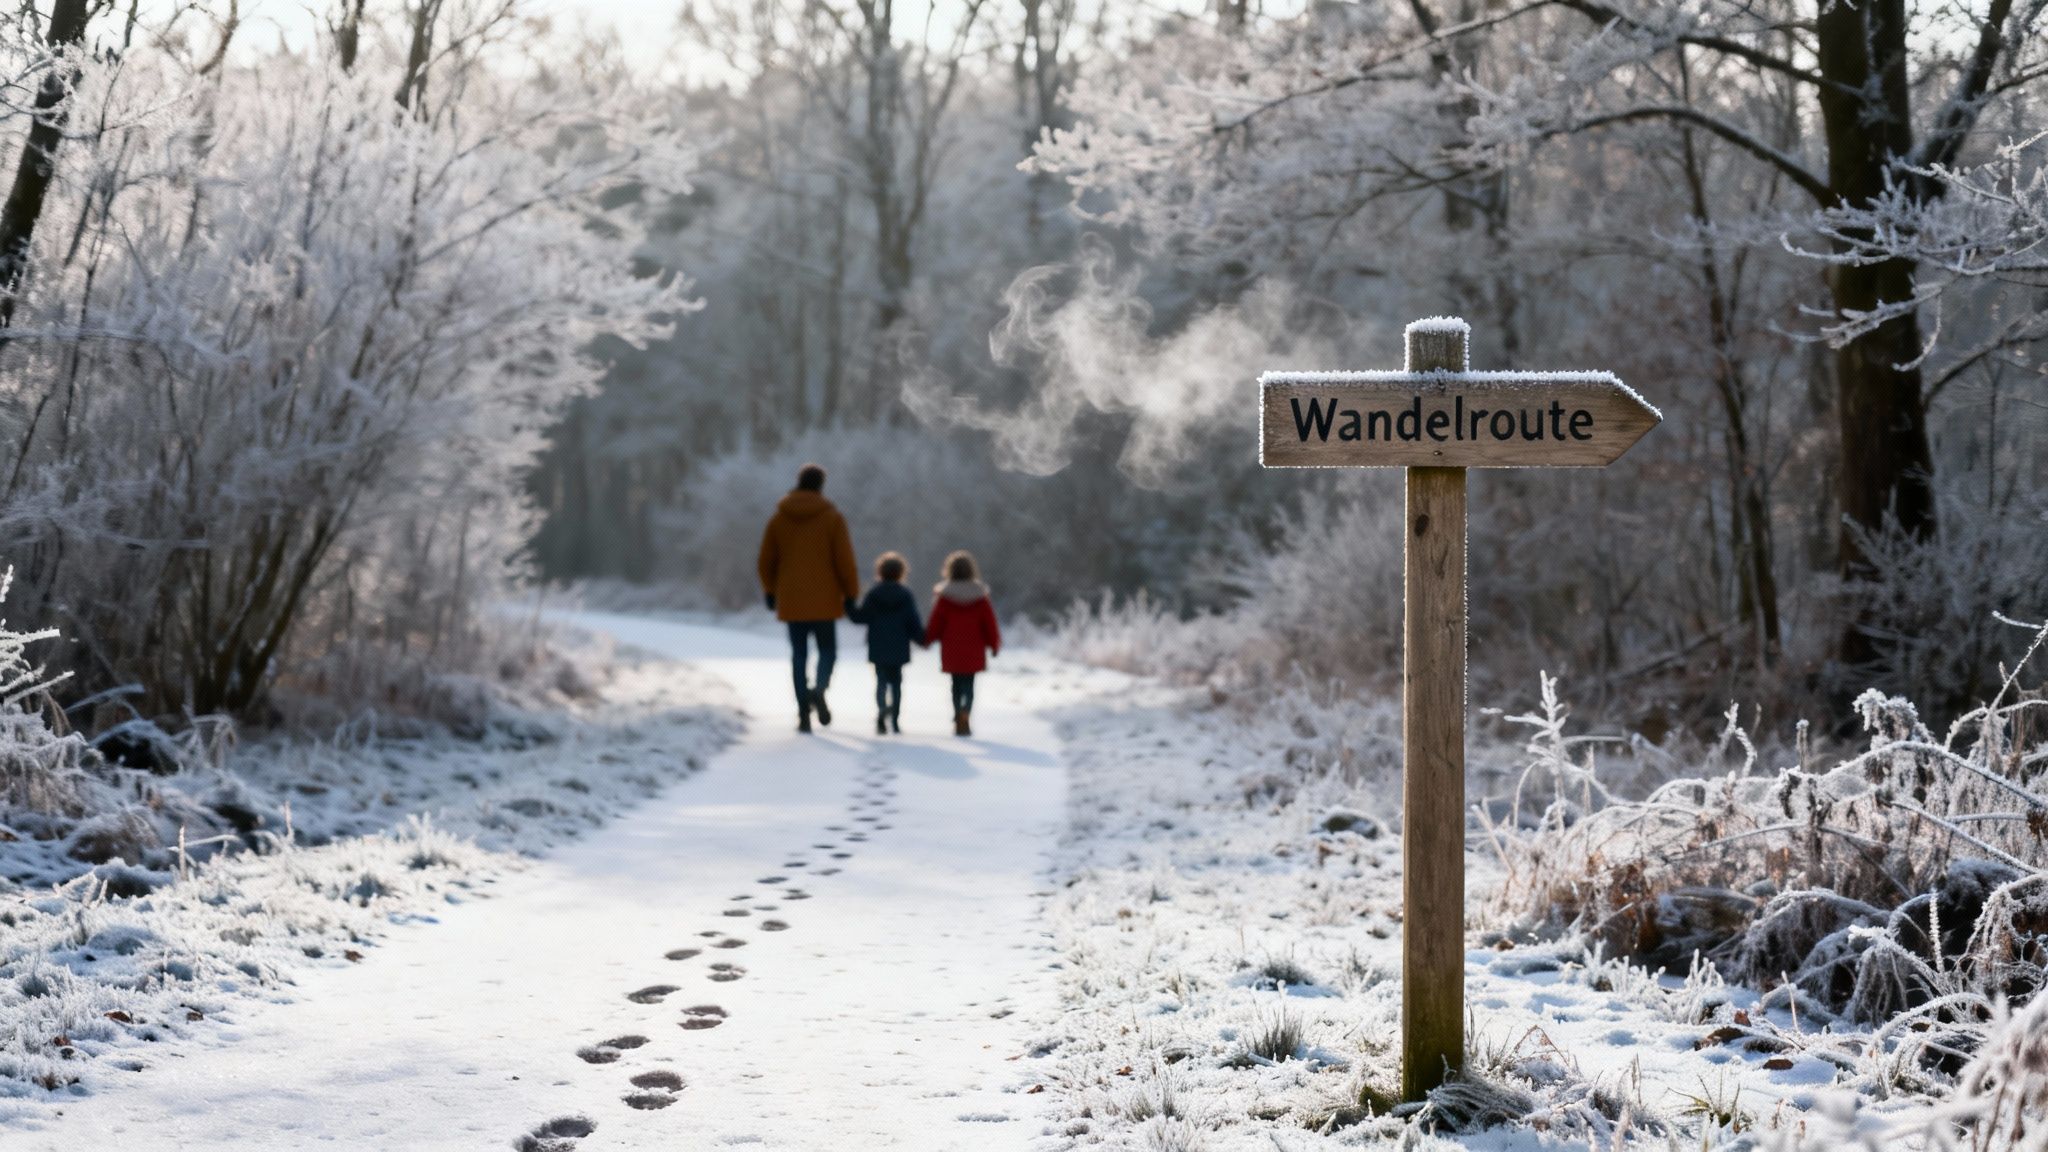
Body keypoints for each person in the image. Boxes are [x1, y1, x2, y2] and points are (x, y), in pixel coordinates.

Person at [757, 463, 859, 733]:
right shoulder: (832, 518)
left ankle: (803, 711)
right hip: (825, 600)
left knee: (799, 655)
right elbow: (845, 562)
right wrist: (851, 595)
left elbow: (766, 561)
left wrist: (770, 590)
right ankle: (820, 689)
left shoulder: (779, 519)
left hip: (791, 600)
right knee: (828, 651)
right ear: (821, 486)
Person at [922, 550, 1000, 737]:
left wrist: (927, 640)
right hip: (974, 648)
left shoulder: (944, 596)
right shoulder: (980, 596)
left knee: (955, 684)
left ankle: (958, 713)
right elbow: (990, 624)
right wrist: (994, 644)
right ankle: (966, 712)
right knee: (970, 684)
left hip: (952, 648)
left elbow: (936, 623)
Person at [845, 551, 924, 735]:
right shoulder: (906, 595)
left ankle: (882, 710)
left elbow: (860, 617)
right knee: (896, 683)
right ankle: (895, 721)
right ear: (901, 572)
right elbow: (913, 623)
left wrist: (848, 604)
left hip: (878, 645)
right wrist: (923, 638)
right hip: (899, 646)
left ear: (880, 571)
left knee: (881, 681)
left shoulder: (874, 594)